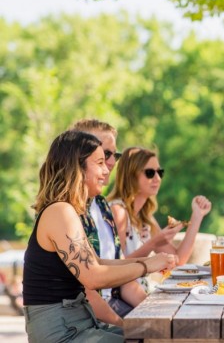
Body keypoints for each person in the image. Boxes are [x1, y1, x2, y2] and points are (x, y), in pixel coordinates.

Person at [22, 130, 177, 342]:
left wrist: (150, 261)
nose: (107, 170)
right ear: (77, 166)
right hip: (61, 330)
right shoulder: (60, 212)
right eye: (100, 162)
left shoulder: (70, 211)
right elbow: (93, 277)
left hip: (78, 321)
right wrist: (147, 266)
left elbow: (96, 262)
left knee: (157, 337)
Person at [71, 119, 147, 326]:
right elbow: (87, 290)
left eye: (116, 155)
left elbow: (124, 282)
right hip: (84, 316)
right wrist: (127, 329)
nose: (112, 163)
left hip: (113, 304)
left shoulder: (102, 206)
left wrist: (157, 309)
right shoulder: (68, 211)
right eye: (105, 155)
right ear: (78, 157)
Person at [108, 146, 212, 290]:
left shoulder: (145, 217)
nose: (157, 178)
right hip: (122, 298)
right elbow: (118, 265)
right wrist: (152, 243)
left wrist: (197, 215)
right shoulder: (118, 211)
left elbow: (178, 260)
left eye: (160, 172)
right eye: (150, 173)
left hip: (141, 292)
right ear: (131, 175)